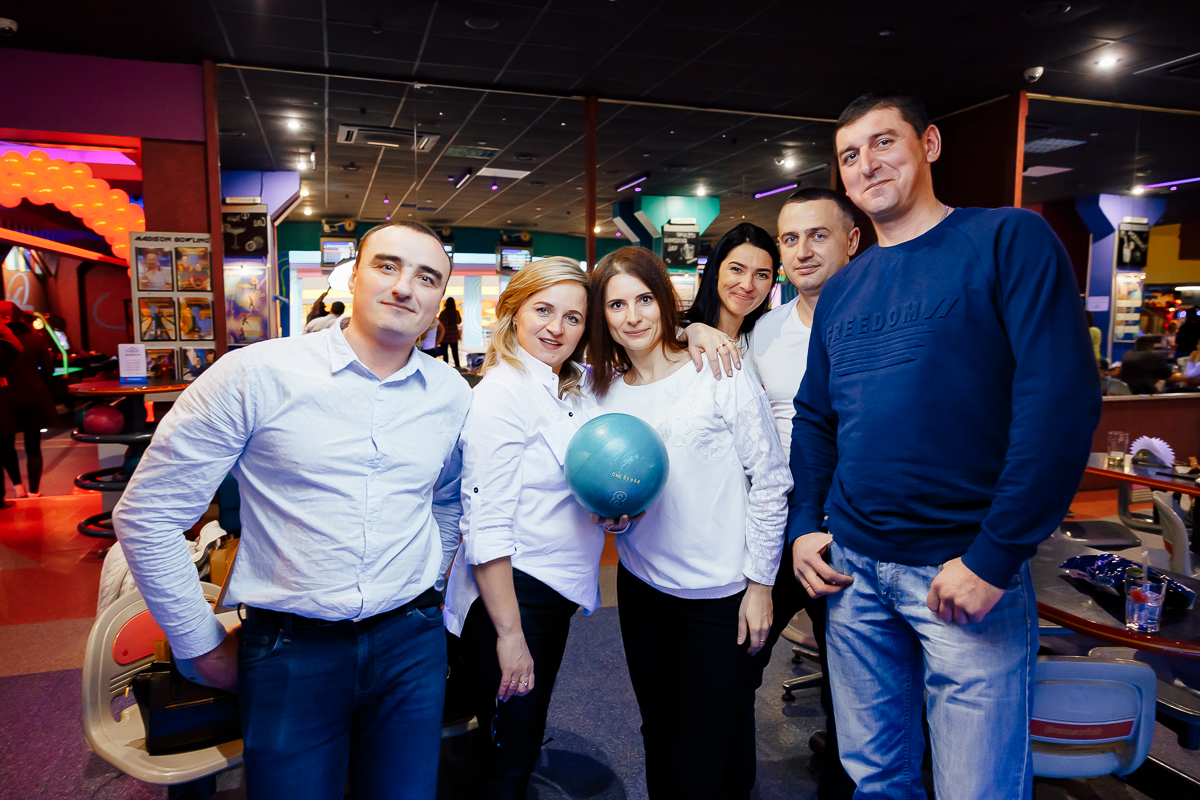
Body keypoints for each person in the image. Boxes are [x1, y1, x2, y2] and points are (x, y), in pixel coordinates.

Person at [789, 91, 1102, 799]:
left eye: (883, 142)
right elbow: (815, 418)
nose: (867, 164)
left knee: (975, 789)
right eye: (849, 155)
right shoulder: (843, 290)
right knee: (876, 780)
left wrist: (995, 556)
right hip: (854, 575)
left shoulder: (1007, 239)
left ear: (928, 144)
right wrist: (806, 523)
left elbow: (1058, 406)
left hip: (962, 572)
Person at [113, 221, 471, 800]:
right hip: (291, 649)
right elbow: (148, 514)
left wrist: (429, 583)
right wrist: (199, 644)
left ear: (439, 301)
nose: (405, 286)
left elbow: (448, 497)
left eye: (427, 278)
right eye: (387, 266)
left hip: (412, 642)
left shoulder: (451, 393)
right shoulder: (256, 374)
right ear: (352, 277)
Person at [587, 246, 791, 800]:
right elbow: (612, 492)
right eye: (616, 305)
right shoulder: (601, 393)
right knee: (658, 735)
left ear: (663, 300)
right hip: (643, 590)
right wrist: (612, 519)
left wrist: (761, 585)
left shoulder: (717, 369)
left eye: (644, 300)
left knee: (704, 757)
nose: (633, 317)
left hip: (720, 596)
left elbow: (771, 480)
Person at [682, 190, 860, 799]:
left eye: (818, 236)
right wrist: (694, 328)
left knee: (852, 683)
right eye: (791, 240)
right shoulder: (765, 330)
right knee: (740, 660)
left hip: (848, 525)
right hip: (775, 521)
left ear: (851, 242)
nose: (802, 251)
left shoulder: (869, 318)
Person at [444, 256, 600, 799]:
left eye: (573, 317)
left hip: (550, 596)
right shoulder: (502, 393)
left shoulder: (570, 388)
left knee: (518, 743)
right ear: (513, 312)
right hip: (513, 599)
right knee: (509, 758)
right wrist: (510, 636)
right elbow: (485, 524)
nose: (557, 328)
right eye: (543, 310)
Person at [682, 222, 778, 345]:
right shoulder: (676, 334)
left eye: (761, 275)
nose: (747, 285)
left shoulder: (765, 344)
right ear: (716, 270)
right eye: (736, 269)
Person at [0, 304, 59, 499]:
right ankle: (34, 491)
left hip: (4, 395)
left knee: (6, 445)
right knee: (33, 446)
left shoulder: (3, 339)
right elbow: (49, 369)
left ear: (6, 318)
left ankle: (18, 487)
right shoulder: (36, 337)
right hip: (32, 394)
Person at [439, 297, 463, 368]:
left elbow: (440, 323)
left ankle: (446, 368)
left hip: (444, 336)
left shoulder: (443, 313)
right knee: (455, 354)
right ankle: (458, 368)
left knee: (445, 355)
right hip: (453, 336)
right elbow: (459, 321)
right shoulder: (456, 313)